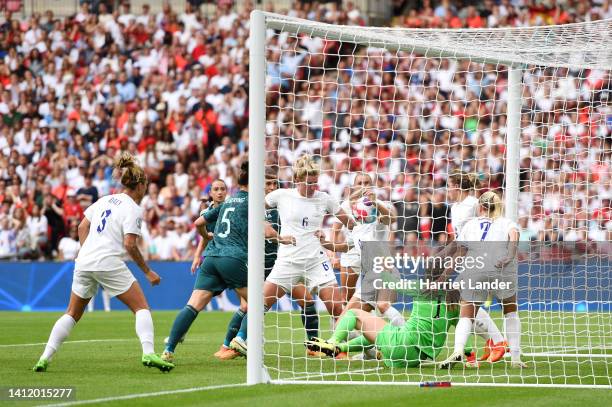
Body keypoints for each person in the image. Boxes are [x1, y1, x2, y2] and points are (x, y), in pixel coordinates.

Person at [33, 153, 174, 373]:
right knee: (141, 307)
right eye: (145, 185)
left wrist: (88, 251)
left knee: (72, 313)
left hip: (84, 261)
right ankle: (148, 353)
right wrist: (147, 271)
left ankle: (44, 358)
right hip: (108, 261)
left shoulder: (104, 200)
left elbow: (81, 227)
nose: (146, 189)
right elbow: (129, 244)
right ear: (139, 185)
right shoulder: (133, 209)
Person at [161, 161, 295, 364]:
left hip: (211, 259)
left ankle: (168, 349)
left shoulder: (227, 202)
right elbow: (266, 231)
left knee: (193, 305)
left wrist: (206, 237)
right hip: (232, 258)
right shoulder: (252, 202)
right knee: (258, 302)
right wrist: (283, 239)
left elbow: (198, 223)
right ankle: (240, 340)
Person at [215, 169, 321, 359]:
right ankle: (228, 346)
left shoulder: (283, 205)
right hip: (255, 266)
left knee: (307, 300)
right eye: (268, 183)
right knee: (248, 306)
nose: (272, 187)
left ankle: (312, 346)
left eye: (275, 184)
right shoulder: (250, 206)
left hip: (281, 264)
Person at [260, 155, 355, 355]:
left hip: (316, 261)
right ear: (297, 180)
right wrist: (268, 228)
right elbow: (254, 209)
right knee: (259, 304)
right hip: (288, 261)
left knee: (338, 308)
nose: (313, 187)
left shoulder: (324, 198)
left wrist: (333, 241)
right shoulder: (281, 195)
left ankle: (340, 350)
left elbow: (351, 223)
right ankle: (239, 342)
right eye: (309, 183)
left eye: (315, 182)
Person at [437, 191, 528, 369]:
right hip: (500, 268)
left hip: (475, 269)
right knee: (510, 312)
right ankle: (515, 358)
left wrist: (444, 275)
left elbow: (460, 252)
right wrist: (510, 255)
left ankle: (458, 351)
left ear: (480, 207)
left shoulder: (471, 224)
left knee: (466, 315)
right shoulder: (505, 222)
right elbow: (514, 235)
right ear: (498, 206)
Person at [306, 287, 473, 368]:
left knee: (353, 314)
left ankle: (332, 342)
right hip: (414, 359)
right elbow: (462, 329)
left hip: (401, 345)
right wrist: (469, 354)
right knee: (377, 333)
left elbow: (385, 287)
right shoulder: (453, 305)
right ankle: (340, 348)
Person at [447, 170, 507, 363]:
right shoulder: (455, 207)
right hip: (465, 257)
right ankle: (494, 341)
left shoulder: (473, 203)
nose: (447, 190)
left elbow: (490, 223)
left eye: (449, 185)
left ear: (456, 186)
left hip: (480, 258)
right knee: (458, 303)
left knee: (458, 301)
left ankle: (496, 341)